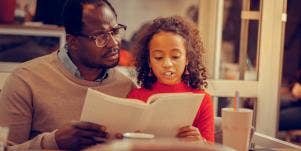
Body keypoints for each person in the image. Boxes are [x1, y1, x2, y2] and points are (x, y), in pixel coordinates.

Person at [0, 0, 136, 150]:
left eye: (115, 31)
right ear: (73, 42)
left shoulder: (126, 86)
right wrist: (54, 142)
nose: (113, 43)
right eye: (100, 36)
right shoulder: (25, 80)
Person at [127, 16, 215, 142]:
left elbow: (211, 147)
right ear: (149, 62)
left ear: (187, 59)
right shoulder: (136, 97)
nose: (167, 64)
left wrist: (201, 142)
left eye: (175, 56)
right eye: (158, 57)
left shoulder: (202, 99)